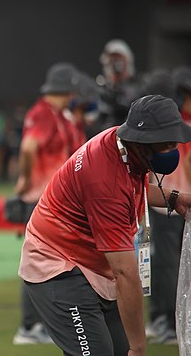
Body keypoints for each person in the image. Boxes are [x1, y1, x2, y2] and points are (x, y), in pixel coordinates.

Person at [18, 94, 191, 356]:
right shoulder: (105, 182)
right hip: (58, 265)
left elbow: (134, 188)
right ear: (143, 144)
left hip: (90, 264)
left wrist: (174, 198)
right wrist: (138, 347)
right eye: (166, 145)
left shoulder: (123, 146)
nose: (172, 152)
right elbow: (125, 273)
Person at [12, 62, 80, 345]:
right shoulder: (43, 114)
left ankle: (38, 323)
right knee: (38, 263)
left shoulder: (54, 114)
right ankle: (29, 326)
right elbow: (28, 148)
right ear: (66, 90)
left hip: (50, 199)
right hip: (41, 199)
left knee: (49, 262)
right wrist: (26, 179)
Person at [144, 66, 191, 344]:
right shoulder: (179, 123)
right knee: (168, 263)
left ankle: (162, 319)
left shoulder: (174, 122)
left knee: (166, 262)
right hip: (171, 199)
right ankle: (165, 320)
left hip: (169, 197)